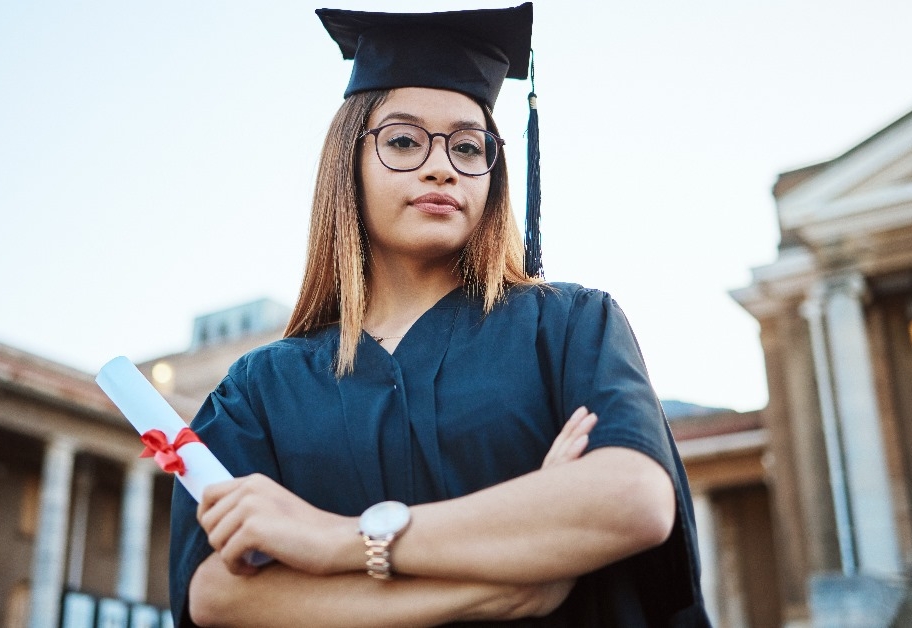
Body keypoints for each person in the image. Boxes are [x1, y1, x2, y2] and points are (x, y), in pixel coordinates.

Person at [169, 4, 711, 626]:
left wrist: (336, 541)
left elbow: (631, 497)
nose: (441, 165)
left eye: (468, 146)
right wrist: (506, 584)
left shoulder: (568, 326)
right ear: (348, 162)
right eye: (403, 140)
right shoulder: (262, 388)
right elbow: (217, 595)